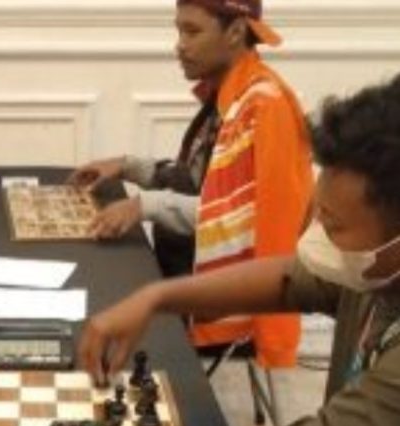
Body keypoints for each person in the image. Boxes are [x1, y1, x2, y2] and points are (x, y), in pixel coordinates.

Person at [79, 76, 400, 426]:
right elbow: (289, 279)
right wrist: (155, 297)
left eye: (334, 225)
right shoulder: (375, 266)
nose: (315, 236)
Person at [69, 0, 314, 368]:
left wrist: (145, 205)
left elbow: (245, 221)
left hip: (221, 294)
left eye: (192, 31)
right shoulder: (233, 94)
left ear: (235, 32)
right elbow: (197, 181)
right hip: (181, 268)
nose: (180, 45)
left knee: (96, 309)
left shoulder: (265, 106)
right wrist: (127, 167)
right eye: (179, 30)